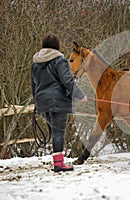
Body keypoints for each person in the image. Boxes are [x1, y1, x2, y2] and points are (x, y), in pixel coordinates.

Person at [31, 33, 87, 172]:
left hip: (42, 101)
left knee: (57, 131)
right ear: (57, 45)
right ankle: (59, 164)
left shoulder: (35, 62)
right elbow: (67, 81)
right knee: (58, 132)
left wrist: (37, 102)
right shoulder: (59, 60)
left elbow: (33, 84)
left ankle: (59, 153)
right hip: (57, 101)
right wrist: (80, 95)